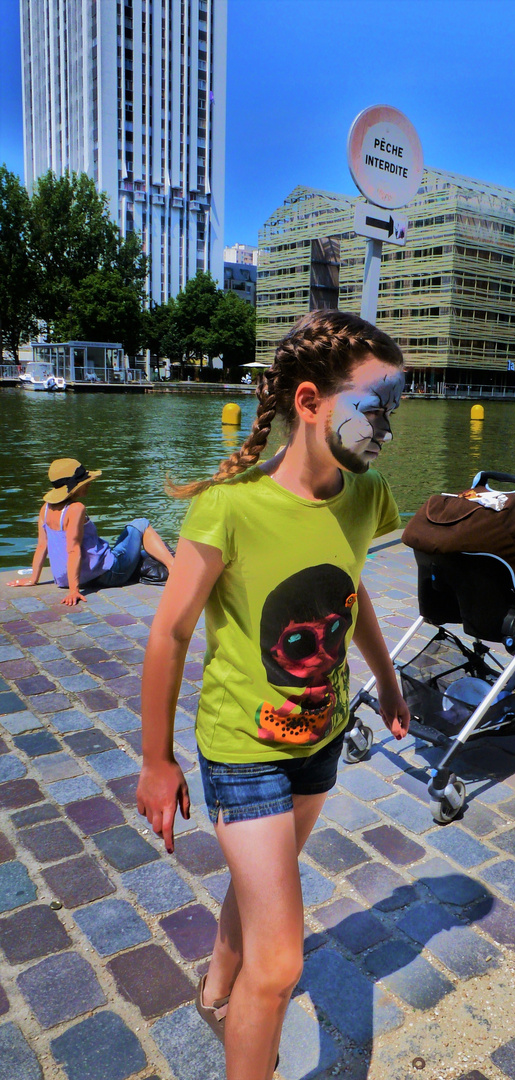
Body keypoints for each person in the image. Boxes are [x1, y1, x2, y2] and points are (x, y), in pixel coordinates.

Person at [135, 309, 410, 1080]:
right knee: (282, 961)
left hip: (317, 741)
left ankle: (216, 988)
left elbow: (349, 587)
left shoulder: (367, 494)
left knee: (267, 885)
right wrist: (155, 760)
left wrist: (386, 677)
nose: (387, 424)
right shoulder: (229, 506)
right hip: (241, 749)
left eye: (396, 403)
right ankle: (245, 1005)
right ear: (310, 402)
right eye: (375, 402)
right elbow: (170, 634)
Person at [6, 458, 174, 607]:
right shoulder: (76, 508)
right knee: (140, 524)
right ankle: (173, 568)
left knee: (141, 550)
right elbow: (73, 549)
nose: (89, 483)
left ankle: (158, 556)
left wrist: (33, 579)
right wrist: (74, 590)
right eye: (86, 481)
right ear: (74, 486)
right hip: (108, 574)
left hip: (63, 579)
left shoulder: (46, 508)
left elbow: (42, 545)